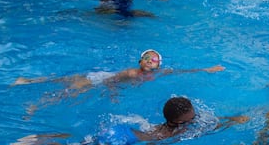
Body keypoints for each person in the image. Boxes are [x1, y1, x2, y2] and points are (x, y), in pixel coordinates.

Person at [4, 96, 249, 145]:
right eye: (191, 118)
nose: (195, 120)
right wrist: (232, 122)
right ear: (177, 122)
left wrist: (232, 118)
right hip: (121, 140)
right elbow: (210, 128)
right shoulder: (178, 131)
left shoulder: (169, 123)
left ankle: (39, 139)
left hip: (119, 129)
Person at [15, 49, 226, 114]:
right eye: (146, 58)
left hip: (101, 76)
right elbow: (111, 81)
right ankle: (36, 105)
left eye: (153, 60)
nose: (149, 61)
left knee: (63, 80)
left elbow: (181, 71)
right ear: (139, 61)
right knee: (68, 90)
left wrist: (206, 69)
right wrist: (113, 94)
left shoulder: (159, 74)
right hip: (98, 80)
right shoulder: (132, 73)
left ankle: (27, 80)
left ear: (158, 66)